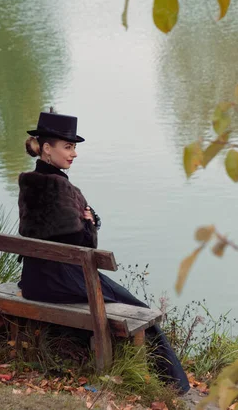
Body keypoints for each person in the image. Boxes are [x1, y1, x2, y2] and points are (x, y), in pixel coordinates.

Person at [16, 109, 190, 395]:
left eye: (74, 147)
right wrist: (90, 224)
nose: (74, 154)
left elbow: (34, 232)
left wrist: (85, 222)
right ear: (47, 148)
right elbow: (84, 246)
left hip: (33, 280)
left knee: (117, 303)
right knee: (140, 311)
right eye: (68, 147)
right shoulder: (60, 187)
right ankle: (176, 387)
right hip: (62, 279)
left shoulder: (28, 183)